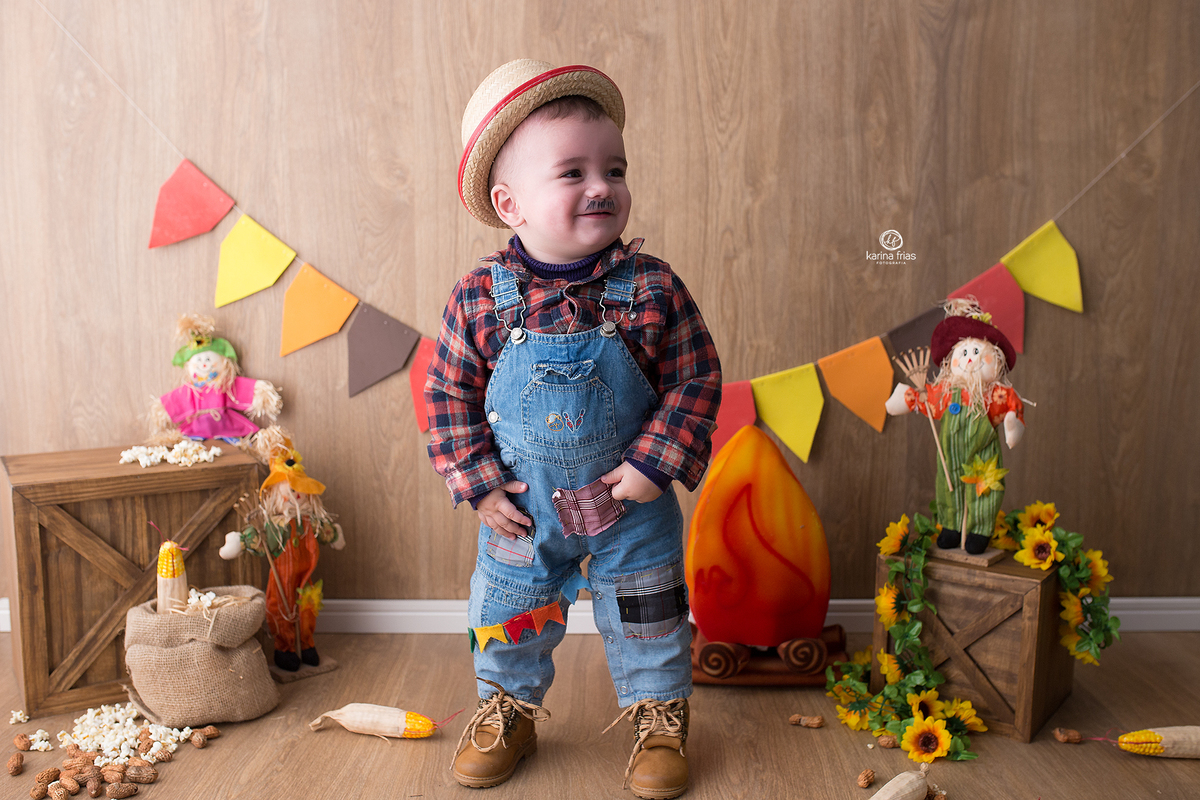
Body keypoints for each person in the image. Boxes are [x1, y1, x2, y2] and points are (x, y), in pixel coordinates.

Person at [426, 60, 721, 799]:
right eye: (574, 172)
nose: (603, 186)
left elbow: (695, 379)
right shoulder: (478, 299)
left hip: (631, 506)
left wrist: (656, 464)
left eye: (614, 168)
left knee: (647, 610)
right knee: (508, 609)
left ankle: (658, 717)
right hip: (524, 511)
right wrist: (480, 484)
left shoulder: (651, 288)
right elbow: (447, 395)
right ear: (510, 202)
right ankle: (507, 708)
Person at [884, 300, 1025, 554]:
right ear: (952, 361)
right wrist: (912, 399)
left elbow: (1012, 409)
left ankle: (979, 531)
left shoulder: (994, 394)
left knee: (985, 490)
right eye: (965, 353)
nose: (971, 359)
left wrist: (1012, 426)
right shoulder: (947, 391)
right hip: (950, 453)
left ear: (997, 359)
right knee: (948, 486)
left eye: (977, 353)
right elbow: (929, 402)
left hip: (983, 455)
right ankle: (951, 526)